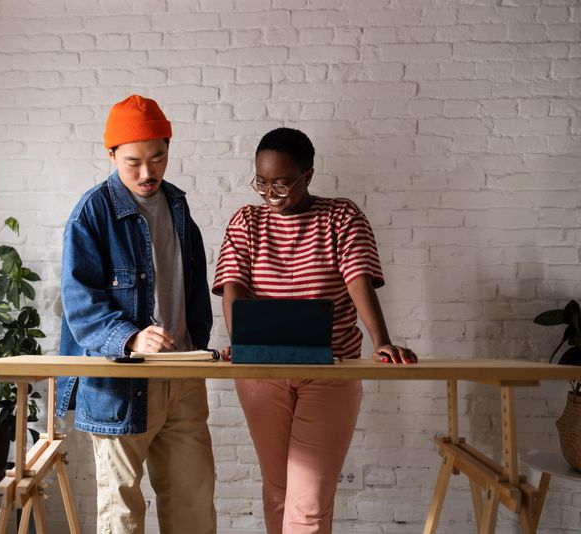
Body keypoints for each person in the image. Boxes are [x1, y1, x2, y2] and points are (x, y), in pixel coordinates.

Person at [213, 127, 417, 534]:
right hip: (261, 374)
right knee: (277, 491)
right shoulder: (246, 221)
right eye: (261, 182)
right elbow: (233, 286)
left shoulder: (341, 216)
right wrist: (245, 345)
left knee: (308, 504)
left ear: (308, 175)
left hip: (331, 371)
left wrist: (382, 342)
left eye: (281, 183)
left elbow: (358, 278)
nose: (269, 193)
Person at [58, 94, 216, 534]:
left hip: (183, 377)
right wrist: (129, 337)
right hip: (119, 387)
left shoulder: (180, 209)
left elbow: (193, 292)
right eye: (132, 162)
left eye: (158, 157)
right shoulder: (92, 213)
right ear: (110, 154)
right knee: (122, 516)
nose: (147, 173)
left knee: (194, 505)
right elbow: (79, 304)